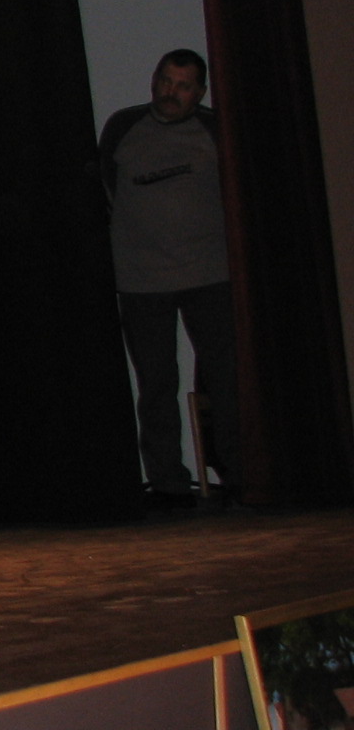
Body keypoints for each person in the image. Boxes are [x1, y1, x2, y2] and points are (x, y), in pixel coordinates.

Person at [97, 50, 240, 505]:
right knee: (156, 384)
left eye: (182, 86)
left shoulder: (215, 129)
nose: (169, 92)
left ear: (199, 93)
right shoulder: (124, 127)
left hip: (209, 275)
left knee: (226, 380)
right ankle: (167, 482)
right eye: (164, 80)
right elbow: (105, 188)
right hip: (141, 281)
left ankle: (237, 473)